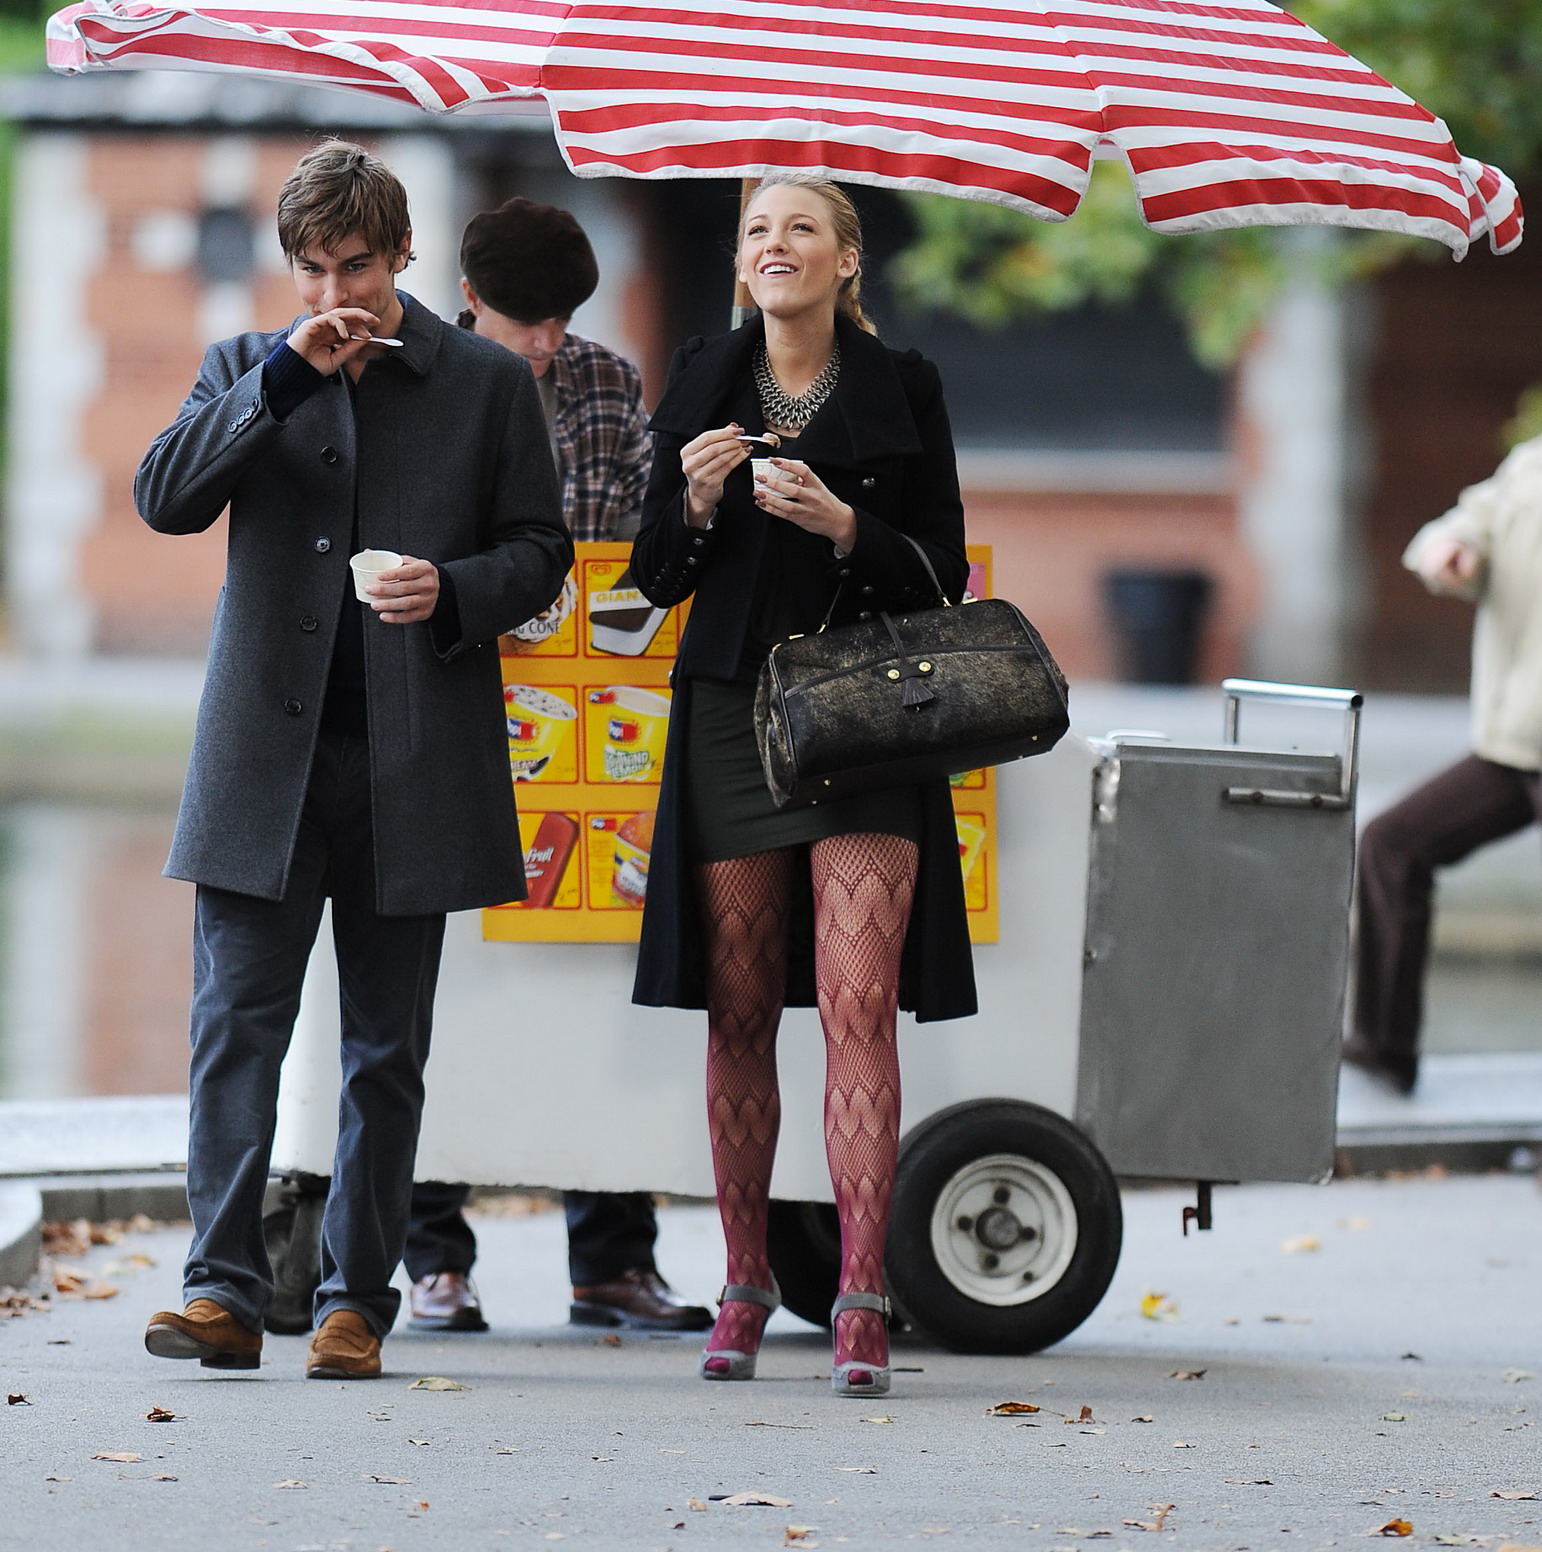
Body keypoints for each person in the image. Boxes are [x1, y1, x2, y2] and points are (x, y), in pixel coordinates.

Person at [136, 142, 572, 1380]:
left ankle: (354, 1304)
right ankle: (220, 1290)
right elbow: (165, 497)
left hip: (412, 761)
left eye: (360, 267)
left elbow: (541, 551)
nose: (338, 293)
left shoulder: (487, 381)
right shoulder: (247, 365)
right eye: (315, 269)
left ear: (404, 254)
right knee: (234, 1029)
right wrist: (283, 376)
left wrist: (453, 589)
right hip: (260, 767)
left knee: (386, 1049)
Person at [629, 171, 977, 1398]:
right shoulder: (699, 376)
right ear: (741, 263)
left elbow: (942, 570)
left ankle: (862, 1294)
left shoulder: (905, 384)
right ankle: (744, 1280)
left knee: (857, 1004)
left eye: (801, 228)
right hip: (731, 714)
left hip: (867, 720)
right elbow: (654, 575)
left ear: (846, 259)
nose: (775, 244)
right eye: (756, 230)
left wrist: (842, 525)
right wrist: (696, 496)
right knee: (737, 1006)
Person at [405, 195, 711, 1337]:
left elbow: (638, 545)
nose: (543, 341)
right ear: (469, 297)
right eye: (523, 319)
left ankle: (612, 1258)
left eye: (559, 319)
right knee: (439, 992)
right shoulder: (415, 378)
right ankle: (432, 1252)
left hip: (594, 716)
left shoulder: (605, 382)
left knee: (597, 985)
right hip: (449, 709)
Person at [1345, 435, 1542, 1094]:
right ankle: (1382, 1050)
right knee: (1392, 845)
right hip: (1513, 746)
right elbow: (1469, 520)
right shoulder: (1533, 463)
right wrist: (1451, 550)